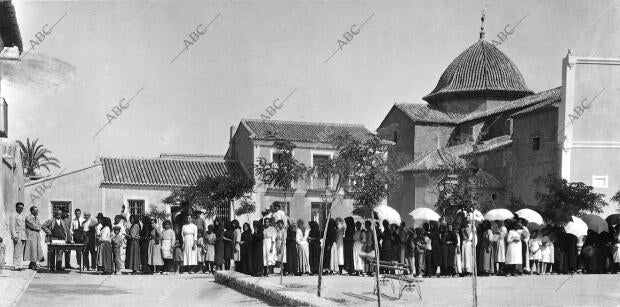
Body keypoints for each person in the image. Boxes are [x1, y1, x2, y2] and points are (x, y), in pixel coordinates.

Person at [9, 202, 26, 271]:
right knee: (16, 251)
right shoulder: (13, 215)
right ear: (16, 207)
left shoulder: (22, 215)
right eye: (19, 207)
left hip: (23, 235)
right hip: (17, 235)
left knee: (21, 251)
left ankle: (19, 265)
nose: (20, 209)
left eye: (22, 208)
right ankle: (15, 265)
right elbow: (12, 227)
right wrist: (14, 236)